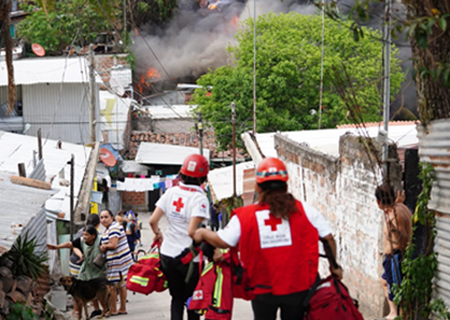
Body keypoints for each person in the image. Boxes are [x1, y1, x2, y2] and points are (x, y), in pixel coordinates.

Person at [193, 157, 342, 320]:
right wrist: (334, 267)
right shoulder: (305, 210)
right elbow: (328, 238)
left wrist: (202, 233)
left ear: (258, 186)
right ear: (286, 184)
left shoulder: (245, 216)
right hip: (298, 287)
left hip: (262, 287)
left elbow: (223, 241)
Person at [149, 154, 210, 320]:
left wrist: (158, 234)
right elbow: (193, 231)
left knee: (176, 298)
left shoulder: (171, 192)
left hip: (168, 255)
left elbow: (153, 220)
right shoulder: (199, 198)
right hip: (189, 259)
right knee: (192, 300)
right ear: (204, 177)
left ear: (181, 174)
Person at [48, 214, 103, 318]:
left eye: (87, 235)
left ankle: (96, 309)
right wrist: (57, 247)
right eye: (84, 235)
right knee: (76, 288)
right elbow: (71, 245)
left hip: (93, 267)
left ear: (93, 235)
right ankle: (77, 311)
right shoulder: (82, 236)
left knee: (92, 287)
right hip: (79, 264)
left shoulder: (100, 238)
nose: (84, 236)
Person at [375, 184, 412, 320]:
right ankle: (393, 312)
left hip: (396, 258)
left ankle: (396, 315)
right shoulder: (401, 207)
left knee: (398, 292)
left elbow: (401, 238)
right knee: (384, 281)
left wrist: (393, 225)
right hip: (398, 257)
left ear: (378, 202)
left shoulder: (393, 216)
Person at [99, 209, 133, 316]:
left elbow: (113, 244)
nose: (103, 220)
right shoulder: (111, 228)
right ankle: (122, 308)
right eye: (101, 217)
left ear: (112, 218)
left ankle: (113, 309)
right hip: (121, 260)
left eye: (106, 217)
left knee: (113, 286)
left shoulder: (113, 228)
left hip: (117, 261)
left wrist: (104, 246)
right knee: (121, 284)